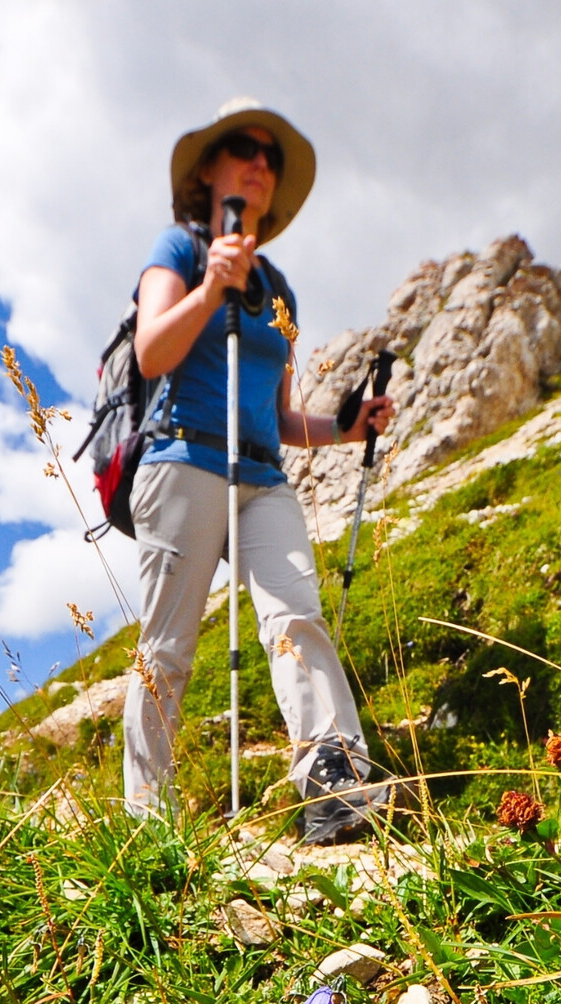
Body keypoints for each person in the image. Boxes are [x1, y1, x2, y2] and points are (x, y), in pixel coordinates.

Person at [124, 97, 394, 843]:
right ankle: (148, 823)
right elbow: (153, 353)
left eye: (272, 157)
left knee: (294, 614)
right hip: (182, 458)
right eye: (244, 147)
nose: (261, 164)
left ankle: (334, 782)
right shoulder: (176, 250)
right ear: (208, 169)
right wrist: (211, 287)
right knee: (168, 650)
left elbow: (275, 417)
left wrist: (344, 430)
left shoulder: (279, 288)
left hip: (261, 473)